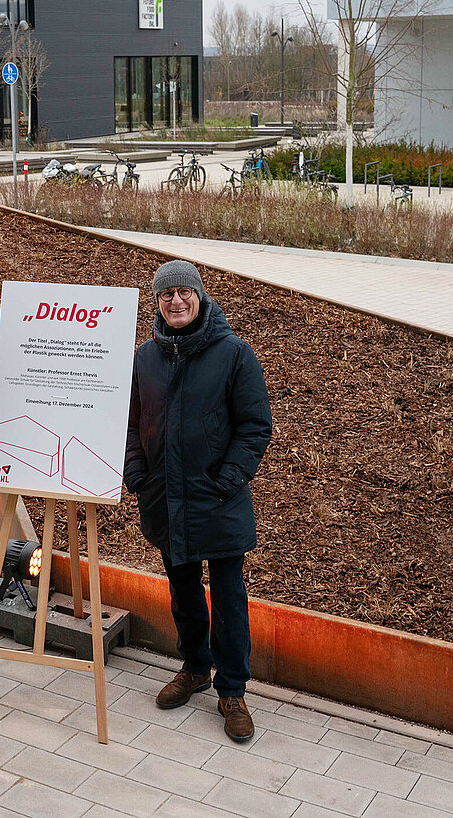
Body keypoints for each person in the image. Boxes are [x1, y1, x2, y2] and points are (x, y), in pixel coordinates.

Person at [124, 260, 272, 742]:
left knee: (229, 597)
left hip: (217, 498)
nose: (176, 301)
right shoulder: (145, 357)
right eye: (167, 294)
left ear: (201, 296)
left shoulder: (233, 354)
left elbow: (254, 425)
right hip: (165, 498)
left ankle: (233, 690)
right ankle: (194, 667)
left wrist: (229, 478)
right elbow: (131, 421)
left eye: (185, 292)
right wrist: (137, 474)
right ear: (157, 302)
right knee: (183, 590)